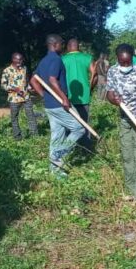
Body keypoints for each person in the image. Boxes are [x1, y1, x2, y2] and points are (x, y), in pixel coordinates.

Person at [30, 34, 85, 179]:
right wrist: (64, 98)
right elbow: (53, 80)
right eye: (62, 43)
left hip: (50, 105)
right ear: (54, 44)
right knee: (79, 128)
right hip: (59, 104)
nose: (63, 46)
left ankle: (55, 171)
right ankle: (59, 154)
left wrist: (44, 95)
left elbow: (33, 80)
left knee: (57, 135)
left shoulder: (43, 61)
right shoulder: (56, 59)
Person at [106, 44, 136, 202]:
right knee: (127, 154)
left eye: (128, 62)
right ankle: (131, 189)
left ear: (132, 58)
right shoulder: (112, 71)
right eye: (122, 62)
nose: (125, 65)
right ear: (117, 59)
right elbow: (110, 93)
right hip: (125, 118)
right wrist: (113, 100)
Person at [61, 38, 94, 148]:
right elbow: (95, 75)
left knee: (69, 123)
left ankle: (70, 147)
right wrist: (90, 89)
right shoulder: (87, 58)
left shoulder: (62, 59)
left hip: (67, 97)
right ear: (78, 46)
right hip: (84, 96)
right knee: (84, 122)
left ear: (68, 47)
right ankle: (86, 148)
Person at [2, 52, 38, 140]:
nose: (20, 61)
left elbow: (26, 81)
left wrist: (30, 88)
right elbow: (3, 85)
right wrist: (14, 89)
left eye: (21, 59)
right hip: (14, 98)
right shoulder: (7, 71)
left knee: (31, 115)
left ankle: (35, 136)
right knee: (14, 118)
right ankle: (17, 137)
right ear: (13, 59)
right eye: (18, 59)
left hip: (26, 96)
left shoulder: (24, 69)